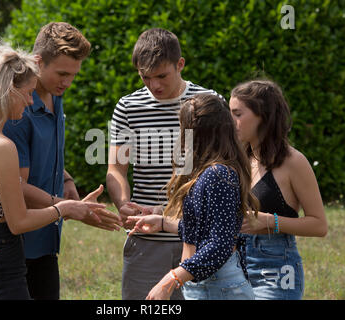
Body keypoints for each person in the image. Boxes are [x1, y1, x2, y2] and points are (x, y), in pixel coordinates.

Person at [0, 22, 122, 300]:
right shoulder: (15, 114)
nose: (67, 82)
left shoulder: (53, 95)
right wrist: (67, 208)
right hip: (13, 242)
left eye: (74, 75)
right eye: (62, 73)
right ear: (38, 62)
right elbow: (15, 184)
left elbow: (41, 155)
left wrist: (65, 180)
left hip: (34, 239)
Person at [106, 28, 223, 300]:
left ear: (180, 64)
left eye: (161, 76)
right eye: (145, 77)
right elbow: (116, 169)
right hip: (147, 238)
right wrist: (123, 203)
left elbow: (223, 168)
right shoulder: (128, 107)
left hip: (200, 237)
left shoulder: (209, 103)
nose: (154, 85)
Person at [125, 93, 257, 300]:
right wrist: (163, 223)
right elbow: (207, 230)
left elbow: (219, 244)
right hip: (208, 284)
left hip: (219, 287)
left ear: (195, 132)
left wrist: (171, 279)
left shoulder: (218, 174)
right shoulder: (211, 172)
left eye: (182, 128)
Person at [229, 79, 328, 300]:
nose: (230, 121)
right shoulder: (239, 159)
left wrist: (269, 221)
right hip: (233, 268)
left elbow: (320, 225)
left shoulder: (293, 161)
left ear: (263, 115)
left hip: (275, 269)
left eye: (237, 114)